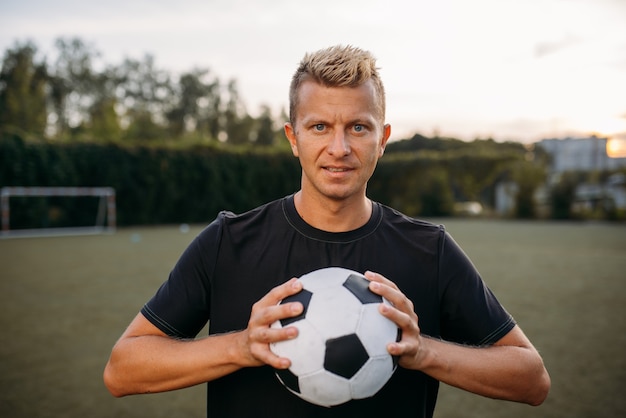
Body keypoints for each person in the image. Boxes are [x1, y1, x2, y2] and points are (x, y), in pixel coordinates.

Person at [104, 45, 550, 417]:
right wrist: (242, 346)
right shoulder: (228, 243)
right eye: (320, 127)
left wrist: (422, 352)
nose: (339, 148)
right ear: (293, 137)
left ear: (383, 139)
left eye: (358, 127)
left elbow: (531, 378)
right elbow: (122, 370)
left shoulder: (427, 250)